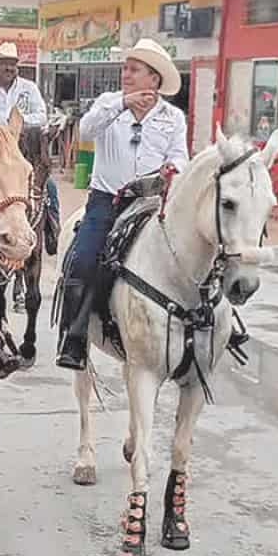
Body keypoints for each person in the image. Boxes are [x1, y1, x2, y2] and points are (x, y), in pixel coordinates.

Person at [56, 38, 188, 371]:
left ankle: (201, 328)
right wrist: (123, 103)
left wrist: (174, 169)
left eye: (134, 70)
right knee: (83, 259)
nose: (126, 74)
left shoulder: (173, 118)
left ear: (154, 79)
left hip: (150, 203)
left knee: (194, 253)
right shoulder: (107, 104)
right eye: (125, 69)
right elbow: (86, 129)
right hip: (106, 201)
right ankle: (74, 336)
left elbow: (180, 157)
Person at [0, 41, 59, 254]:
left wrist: (16, 122)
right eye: (5, 64)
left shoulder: (29, 88)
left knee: (48, 186)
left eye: (13, 64)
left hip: (24, 148)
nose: (10, 68)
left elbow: (41, 116)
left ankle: (52, 227)